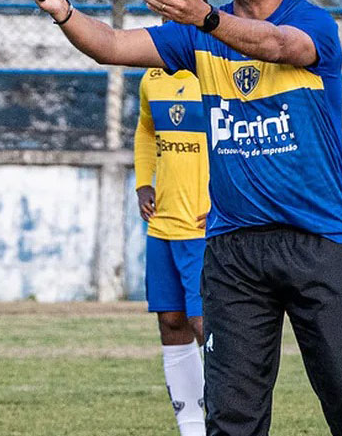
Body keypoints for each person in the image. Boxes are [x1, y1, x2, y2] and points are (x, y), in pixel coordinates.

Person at [31, 0, 342, 436]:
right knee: (231, 421)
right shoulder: (196, 34)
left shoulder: (311, 24)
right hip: (233, 252)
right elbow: (110, 45)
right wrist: (63, 9)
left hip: (317, 244)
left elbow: (275, 45)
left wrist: (206, 18)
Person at [133, 64, 210, 436]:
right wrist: (142, 183)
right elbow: (146, 129)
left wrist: (224, 201)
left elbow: (234, 136)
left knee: (205, 325)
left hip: (202, 226)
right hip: (161, 222)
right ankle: (192, 430)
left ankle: (232, 422)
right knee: (171, 321)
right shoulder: (151, 76)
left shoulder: (211, 68)